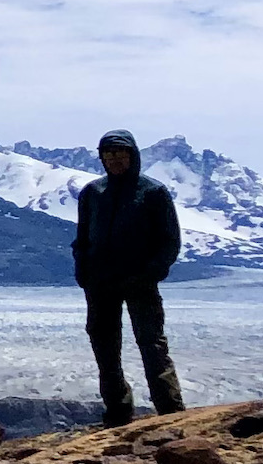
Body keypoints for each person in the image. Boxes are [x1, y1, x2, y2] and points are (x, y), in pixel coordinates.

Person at [71, 129, 186, 426]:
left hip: (140, 282)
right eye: (108, 154)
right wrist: (83, 270)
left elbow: (170, 241)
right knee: (105, 349)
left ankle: (170, 414)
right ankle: (118, 413)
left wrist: (150, 274)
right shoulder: (92, 193)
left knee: (152, 345)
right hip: (100, 283)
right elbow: (82, 237)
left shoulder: (152, 192)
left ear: (132, 155)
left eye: (120, 153)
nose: (114, 159)